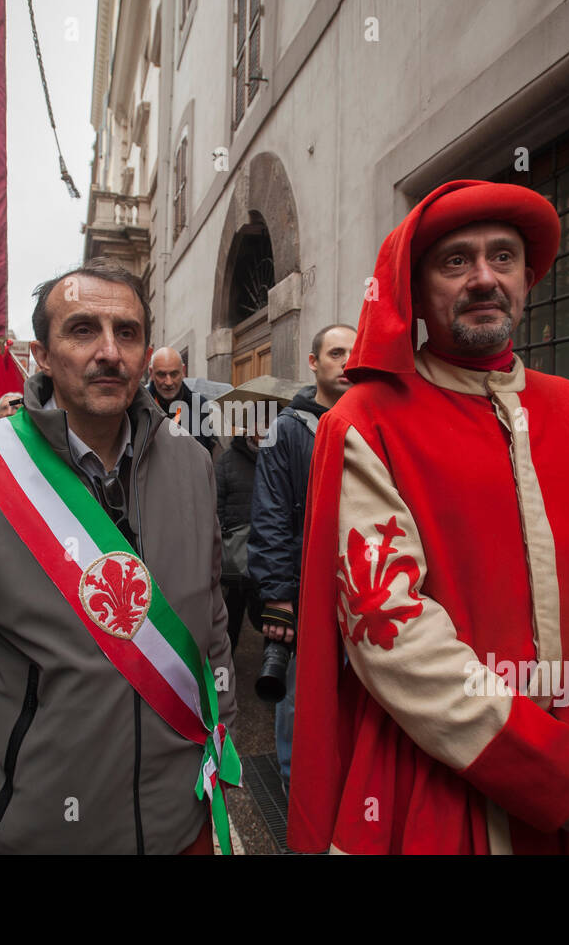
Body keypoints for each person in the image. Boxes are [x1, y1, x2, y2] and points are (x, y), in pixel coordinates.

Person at [287, 179, 569, 855]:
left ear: (528, 277)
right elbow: (391, 627)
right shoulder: (365, 424)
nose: (482, 278)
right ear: (417, 287)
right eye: (455, 261)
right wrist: (543, 765)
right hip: (433, 785)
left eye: (502, 257)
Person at [0, 257, 239, 855]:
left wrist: (222, 730)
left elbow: (209, 612)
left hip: (182, 827)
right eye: (83, 330)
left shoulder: (192, 464)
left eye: (127, 333)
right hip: (39, 835)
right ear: (42, 354)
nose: (109, 351)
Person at [247, 323, 356, 792]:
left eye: (354, 352)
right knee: (299, 698)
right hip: (305, 586)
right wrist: (278, 598)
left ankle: (349, 790)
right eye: (336, 353)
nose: (347, 361)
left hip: (362, 588)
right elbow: (268, 516)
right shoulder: (286, 430)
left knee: (358, 697)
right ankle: (300, 794)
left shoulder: (371, 420)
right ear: (314, 363)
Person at [214, 423, 263, 653]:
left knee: (268, 620)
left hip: (269, 555)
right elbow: (216, 503)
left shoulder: (281, 457)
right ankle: (224, 667)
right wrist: (225, 533)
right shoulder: (227, 461)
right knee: (230, 618)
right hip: (236, 553)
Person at [148, 346, 216, 454]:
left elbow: (207, 454)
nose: (169, 382)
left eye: (174, 374)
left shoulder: (201, 406)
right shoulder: (139, 405)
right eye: (161, 374)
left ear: (183, 371)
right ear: (151, 373)